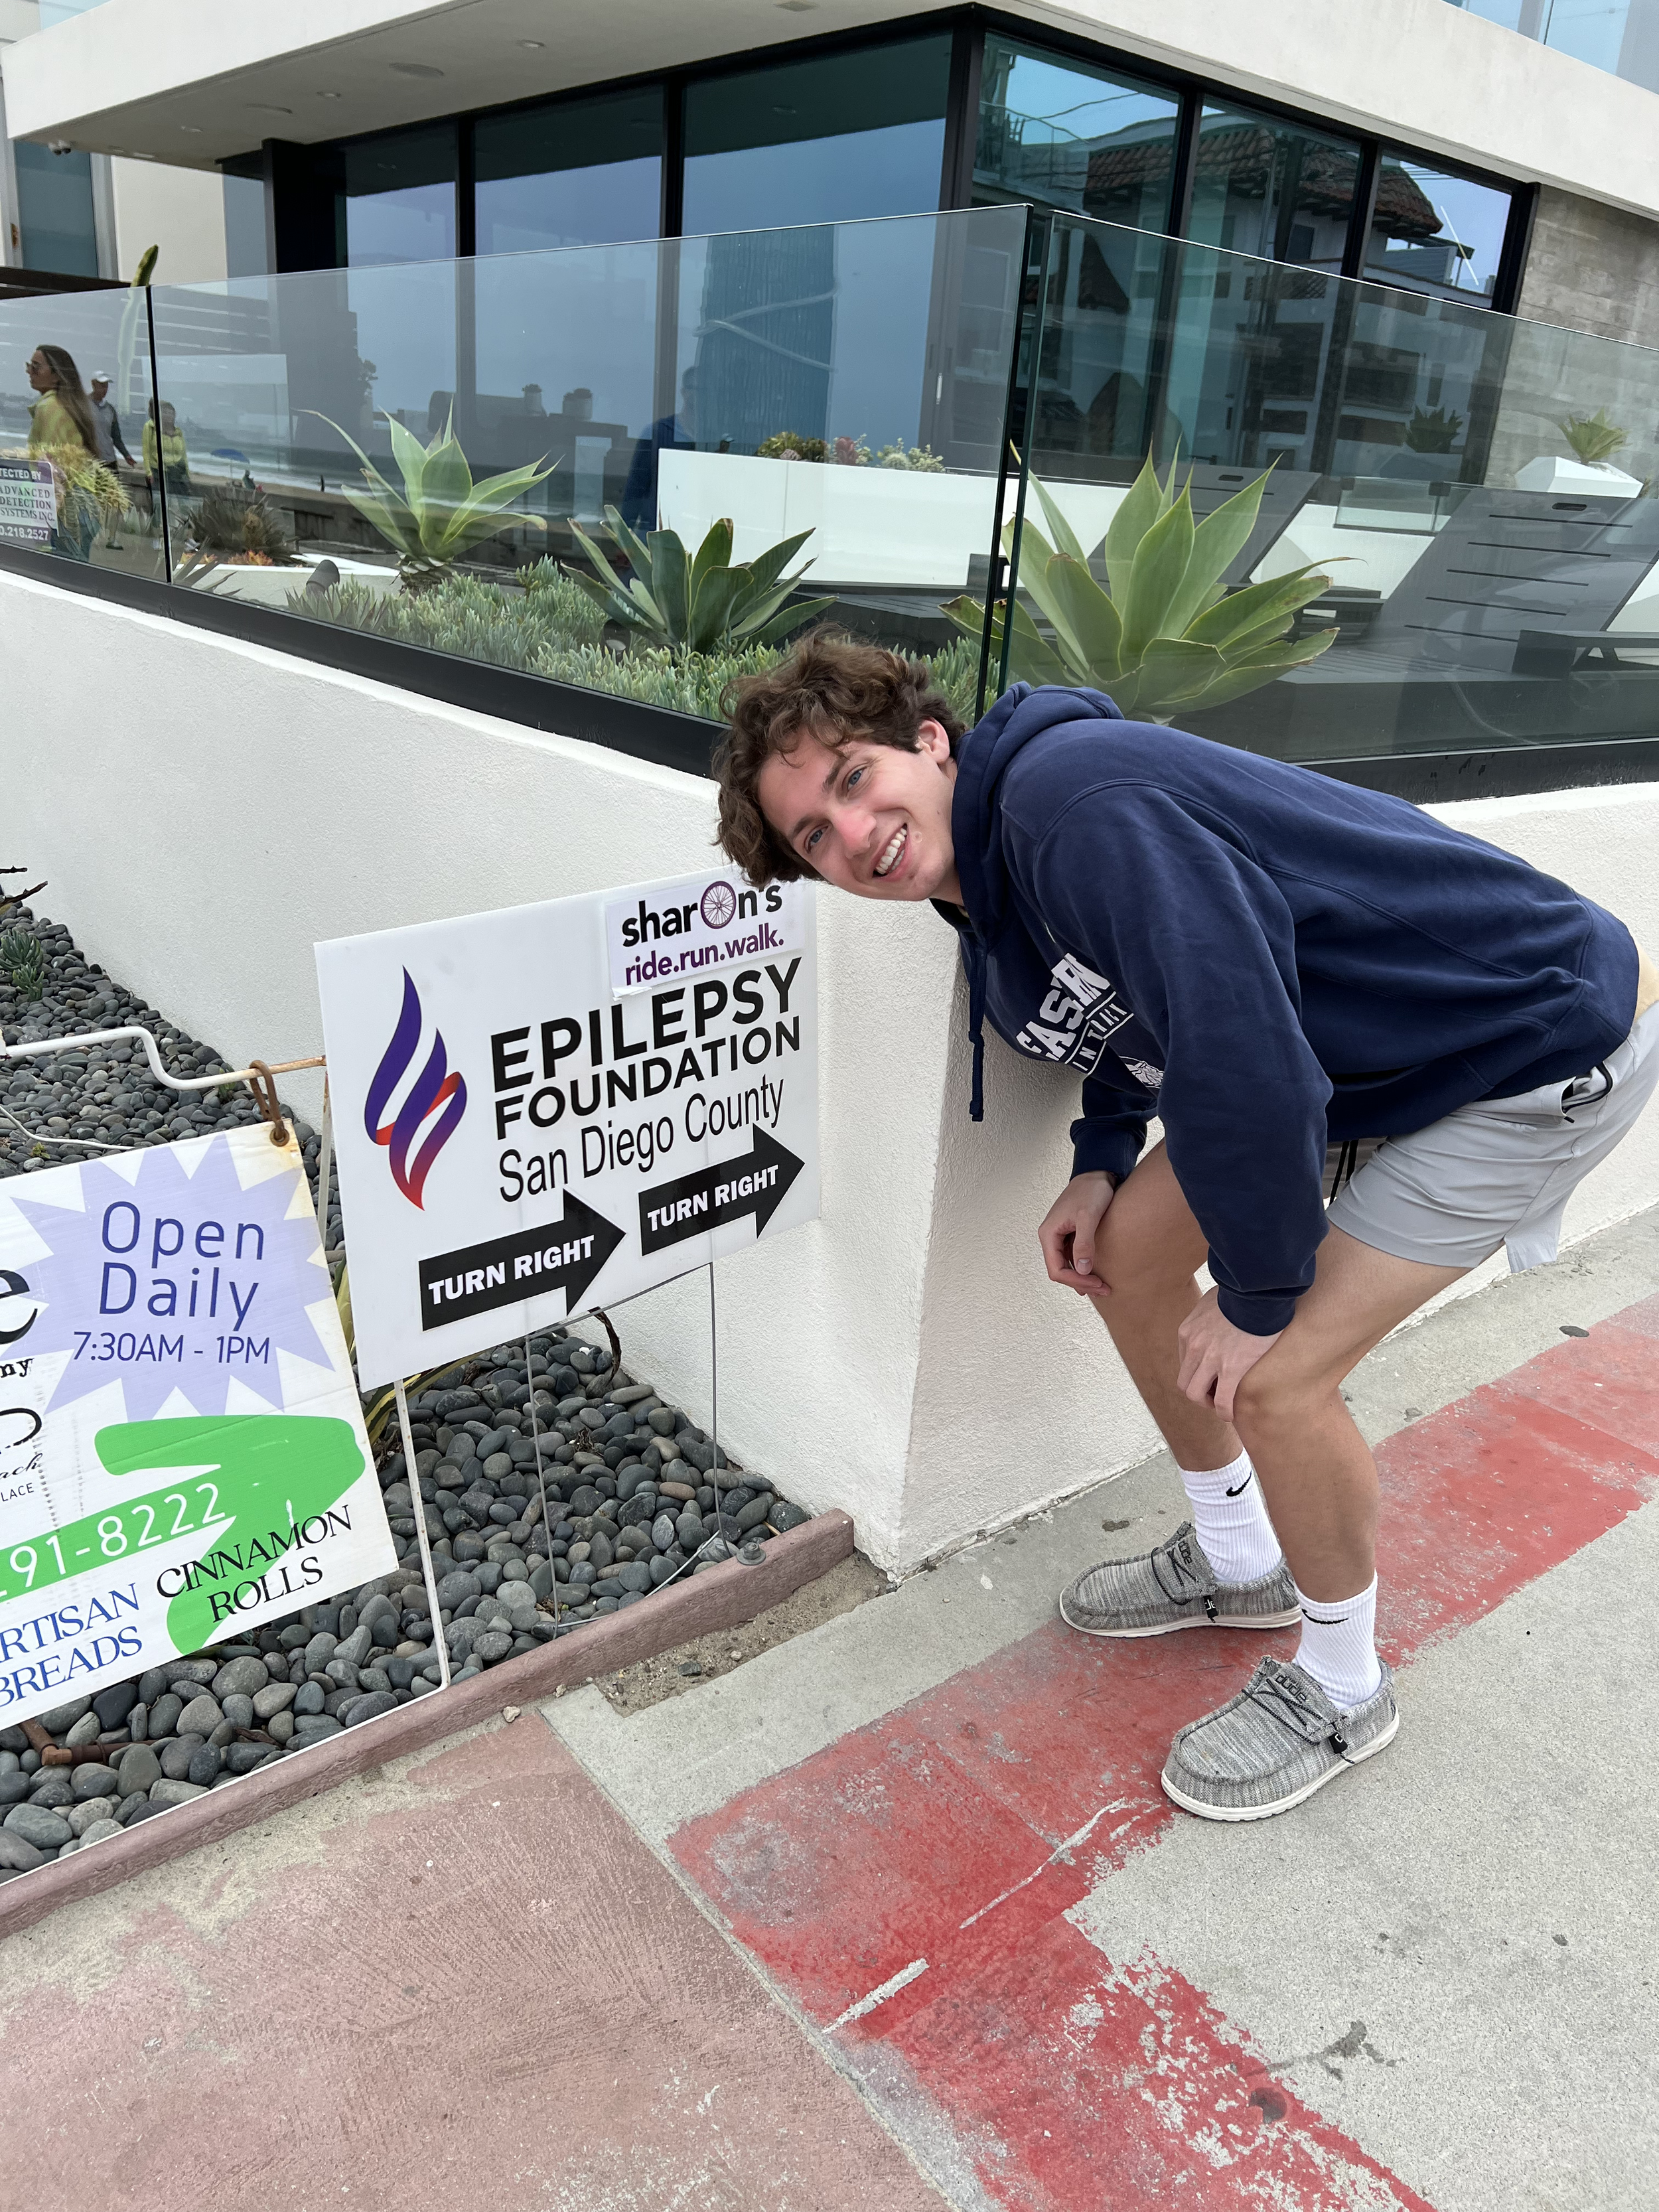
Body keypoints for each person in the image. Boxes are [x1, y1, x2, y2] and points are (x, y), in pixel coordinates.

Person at [712, 636, 1659, 1823]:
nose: (853, 835)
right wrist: (1103, 1157)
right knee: (1123, 1252)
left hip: (1534, 1042)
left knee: (1278, 1380)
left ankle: (1342, 1681)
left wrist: (1261, 1296)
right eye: (814, 835)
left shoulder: (1078, 807)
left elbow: (1242, 1061)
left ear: (929, 741)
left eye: (852, 779)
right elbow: (1129, 1004)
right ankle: (1236, 1555)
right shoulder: (991, 874)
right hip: (1367, 1055)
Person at [25, 342, 102, 561]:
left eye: (36, 366)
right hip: (83, 507)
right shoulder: (69, 406)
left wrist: (42, 523)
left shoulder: (49, 408)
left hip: (64, 510)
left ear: (57, 375)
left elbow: (50, 470)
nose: (30, 371)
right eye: (29, 365)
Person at [620, 365, 697, 530]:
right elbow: (636, 486)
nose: (700, 394)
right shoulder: (657, 433)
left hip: (698, 528)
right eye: (695, 388)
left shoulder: (715, 440)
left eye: (706, 390)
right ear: (684, 392)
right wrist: (623, 539)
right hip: (655, 532)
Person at [143, 398, 192, 496]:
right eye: (166, 412)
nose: (169, 415)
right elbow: (146, 452)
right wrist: (149, 473)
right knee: (159, 501)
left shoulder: (179, 432)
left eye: (171, 413)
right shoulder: (151, 428)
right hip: (159, 472)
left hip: (178, 472)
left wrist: (188, 475)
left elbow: (183, 455)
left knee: (183, 502)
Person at [87, 372, 136, 467]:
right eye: (101, 385)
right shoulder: (83, 405)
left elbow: (116, 437)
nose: (105, 389)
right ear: (93, 384)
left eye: (106, 386)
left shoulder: (110, 410)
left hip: (109, 459)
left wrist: (126, 455)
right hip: (91, 460)